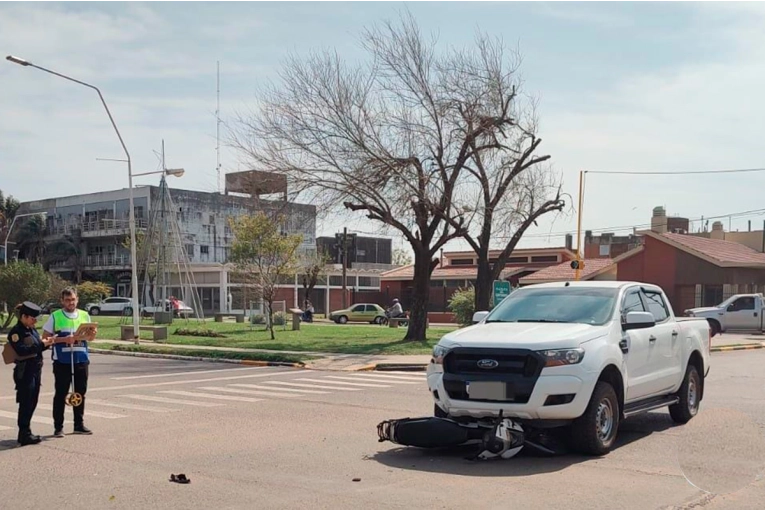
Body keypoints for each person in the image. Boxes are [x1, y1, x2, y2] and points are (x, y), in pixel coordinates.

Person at [42, 287, 96, 437]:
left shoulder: (85, 315)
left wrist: (92, 335)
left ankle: (79, 424)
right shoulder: (55, 316)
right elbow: (45, 339)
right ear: (62, 301)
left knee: (80, 392)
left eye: (73, 299)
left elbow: (90, 338)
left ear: (77, 299)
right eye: (67, 300)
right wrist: (63, 339)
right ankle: (58, 426)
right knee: (61, 393)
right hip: (62, 361)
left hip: (81, 359)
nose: (71, 303)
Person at [6, 302, 55, 445]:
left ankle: (27, 431)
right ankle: (24, 433)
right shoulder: (16, 332)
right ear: (24, 316)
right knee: (25, 402)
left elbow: (36, 348)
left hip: (35, 370)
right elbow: (22, 350)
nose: (34, 321)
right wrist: (42, 344)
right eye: (32, 318)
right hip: (25, 371)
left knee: (33, 401)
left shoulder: (31, 330)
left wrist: (47, 343)